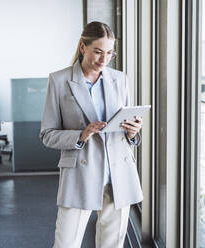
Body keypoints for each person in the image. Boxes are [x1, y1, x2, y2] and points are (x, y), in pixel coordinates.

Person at [40, 21, 144, 248]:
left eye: (109, 53)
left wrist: (134, 133)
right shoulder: (59, 81)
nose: (103, 60)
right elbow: (47, 134)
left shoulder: (119, 79)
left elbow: (126, 131)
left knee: (112, 244)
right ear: (82, 47)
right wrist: (81, 135)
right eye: (98, 52)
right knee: (65, 243)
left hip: (117, 174)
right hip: (80, 173)